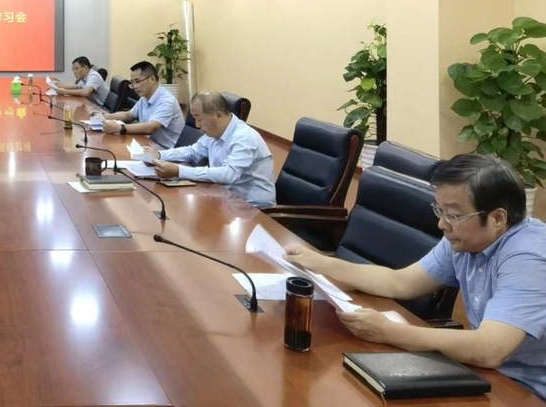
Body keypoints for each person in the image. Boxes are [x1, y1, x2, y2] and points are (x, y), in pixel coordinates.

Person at [285, 154, 546, 401]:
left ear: (497, 218)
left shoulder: (527, 259)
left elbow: (490, 349)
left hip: (529, 390)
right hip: (491, 376)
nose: (442, 224)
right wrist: (322, 263)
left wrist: (390, 332)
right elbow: (401, 282)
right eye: (440, 211)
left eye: (453, 215)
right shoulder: (465, 239)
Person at [146, 91, 275, 207]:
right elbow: (192, 151)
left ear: (218, 116)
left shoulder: (245, 137)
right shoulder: (215, 132)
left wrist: (178, 171)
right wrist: (160, 155)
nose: (197, 125)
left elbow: (228, 174)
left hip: (253, 209)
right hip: (224, 198)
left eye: (199, 119)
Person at [100, 61, 185, 149]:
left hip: (166, 151)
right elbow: (128, 115)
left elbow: (151, 127)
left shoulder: (166, 101)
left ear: (152, 79)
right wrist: (106, 117)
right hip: (148, 145)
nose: (135, 86)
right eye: (132, 83)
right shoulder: (144, 98)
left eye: (137, 81)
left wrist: (120, 128)